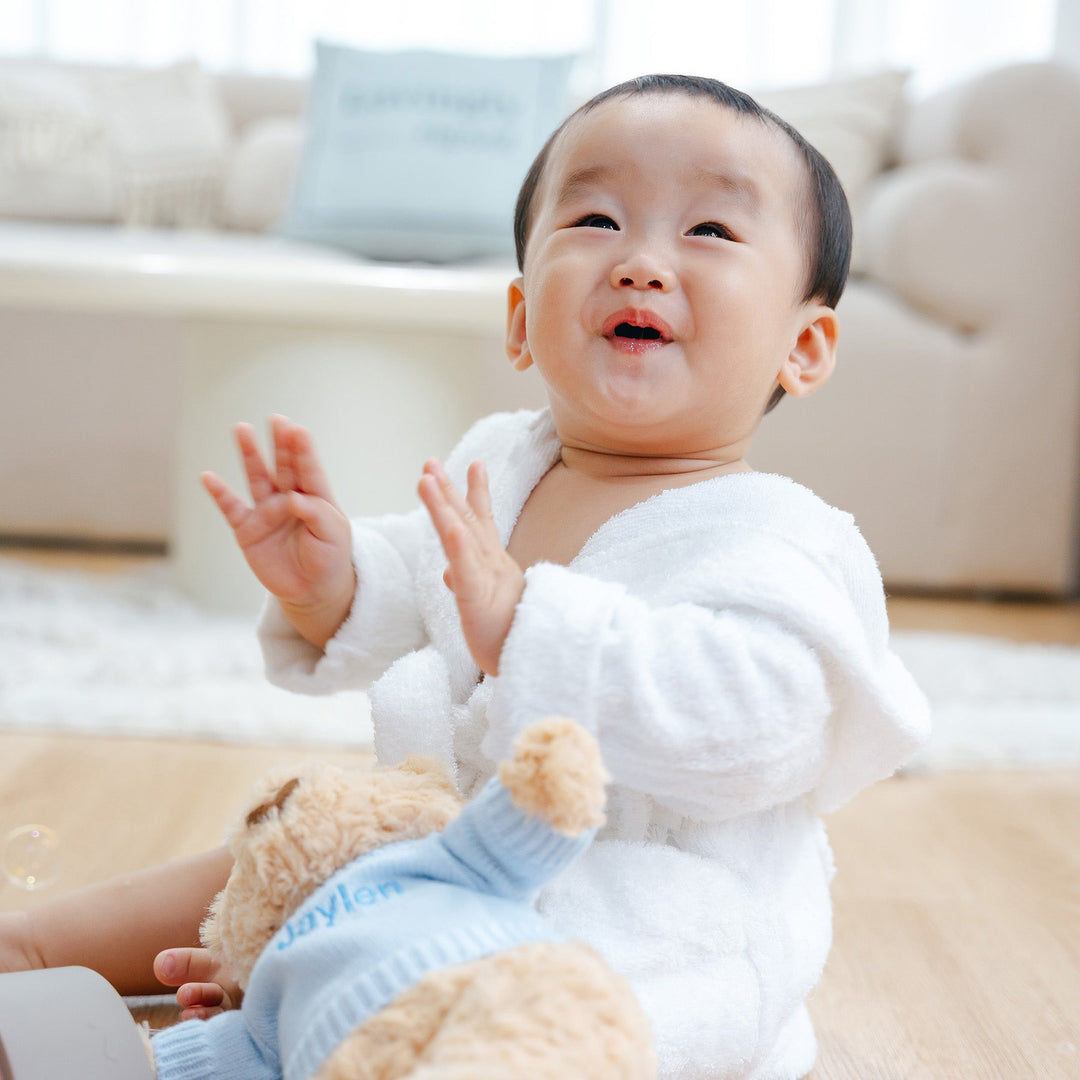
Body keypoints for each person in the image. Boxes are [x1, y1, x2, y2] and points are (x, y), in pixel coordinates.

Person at [0, 74, 929, 1079]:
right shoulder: (507, 459)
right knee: (279, 852)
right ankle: (38, 949)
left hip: (643, 936)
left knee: (477, 1018)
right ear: (523, 320)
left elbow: (757, 730)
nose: (640, 262)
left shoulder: (781, 541)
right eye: (598, 217)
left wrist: (529, 628)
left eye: (708, 229)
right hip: (446, 863)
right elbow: (418, 584)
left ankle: (291, 1008)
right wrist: (334, 584)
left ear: (804, 344)